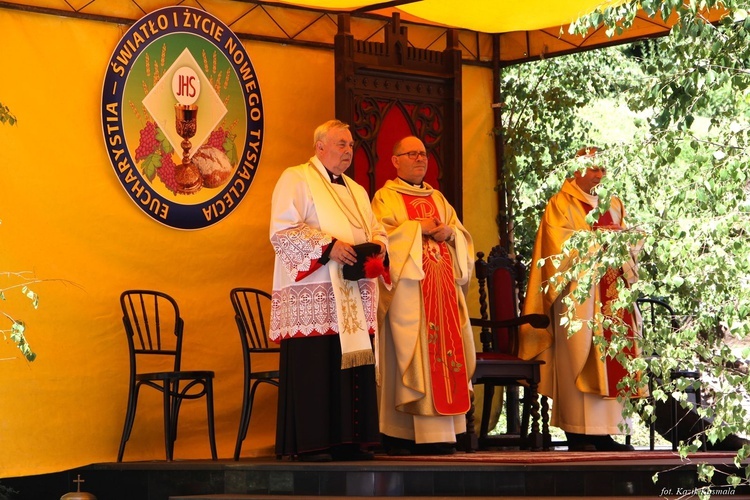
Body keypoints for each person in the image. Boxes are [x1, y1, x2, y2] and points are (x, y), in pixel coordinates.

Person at [269, 119, 389, 462]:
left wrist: (379, 246)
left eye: (351, 145)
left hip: (353, 291)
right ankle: (313, 443)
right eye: (341, 144)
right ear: (319, 146)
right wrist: (328, 247)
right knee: (318, 365)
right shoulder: (296, 178)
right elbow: (282, 230)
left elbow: (376, 228)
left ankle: (352, 441)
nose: (348, 151)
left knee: (350, 368)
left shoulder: (357, 190)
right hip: (317, 290)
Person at [518, 146, 641, 452]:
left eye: (603, 169)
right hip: (579, 295)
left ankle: (606, 432)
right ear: (577, 170)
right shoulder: (561, 204)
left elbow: (627, 246)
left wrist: (629, 243)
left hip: (612, 293)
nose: (601, 175)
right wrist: (599, 244)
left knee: (612, 358)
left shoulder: (613, 203)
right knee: (580, 354)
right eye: (594, 169)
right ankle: (578, 431)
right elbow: (557, 250)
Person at [371, 135, 476, 456]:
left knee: (447, 357)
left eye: (423, 153)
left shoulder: (440, 199)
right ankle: (402, 435)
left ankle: (443, 434)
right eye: (411, 153)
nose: (420, 158)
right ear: (395, 160)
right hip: (409, 295)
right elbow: (380, 238)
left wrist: (452, 234)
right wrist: (420, 229)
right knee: (410, 356)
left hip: (443, 293)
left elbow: (462, 238)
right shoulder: (384, 198)